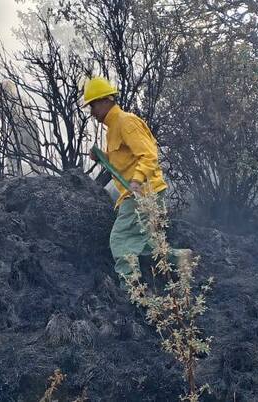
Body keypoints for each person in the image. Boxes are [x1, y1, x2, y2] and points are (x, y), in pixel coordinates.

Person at [82, 76, 191, 284]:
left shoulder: (125, 122)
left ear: (106, 101)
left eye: (93, 105)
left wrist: (137, 181)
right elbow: (123, 161)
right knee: (142, 242)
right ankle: (179, 258)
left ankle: (131, 290)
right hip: (137, 192)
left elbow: (149, 155)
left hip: (142, 192)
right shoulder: (114, 128)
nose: (92, 112)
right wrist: (101, 157)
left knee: (120, 239)